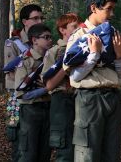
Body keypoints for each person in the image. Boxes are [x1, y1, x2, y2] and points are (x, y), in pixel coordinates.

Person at [63, 0, 121, 162]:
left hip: (113, 97)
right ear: (94, 8)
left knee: (111, 153)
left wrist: (120, 55)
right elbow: (74, 77)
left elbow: (120, 75)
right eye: (108, 8)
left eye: (113, 9)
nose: (112, 13)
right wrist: (94, 55)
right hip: (89, 99)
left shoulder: (113, 35)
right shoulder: (80, 36)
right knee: (87, 154)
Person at [3, 4, 44, 161]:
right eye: (35, 18)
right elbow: (11, 71)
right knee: (19, 139)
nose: (39, 20)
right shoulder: (13, 43)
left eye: (41, 18)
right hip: (18, 95)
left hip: (39, 97)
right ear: (25, 21)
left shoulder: (43, 40)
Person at [42, 12, 82, 161]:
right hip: (62, 100)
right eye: (74, 26)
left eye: (80, 26)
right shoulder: (54, 52)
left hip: (81, 99)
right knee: (65, 149)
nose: (78, 29)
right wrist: (66, 67)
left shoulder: (84, 48)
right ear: (62, 30)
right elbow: (49, 85)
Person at [14, 23, 53, 162]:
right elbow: (21, 93)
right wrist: (45, 89)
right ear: (34, 40)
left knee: (45, 153)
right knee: (28, 153)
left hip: (49, 109)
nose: (50, 40)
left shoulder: (53, 60)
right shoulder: (25, 61)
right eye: (46, 37)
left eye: (51, 37)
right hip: (31, 109)